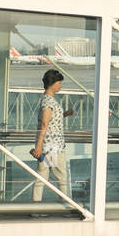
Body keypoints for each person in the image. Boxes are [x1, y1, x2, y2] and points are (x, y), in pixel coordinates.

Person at [31, 69, 75, 204]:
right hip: (52, 146)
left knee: (42, 176)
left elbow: (49, 120)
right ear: (52, 83)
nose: (60, 85)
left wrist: (64, 114)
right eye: (59, 83)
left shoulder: (47, 100)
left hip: (49, 146)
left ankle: (35, 205)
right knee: (61, 176)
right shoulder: (48, 102)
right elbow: (44, 123)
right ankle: (65, 204)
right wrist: (38, 147)